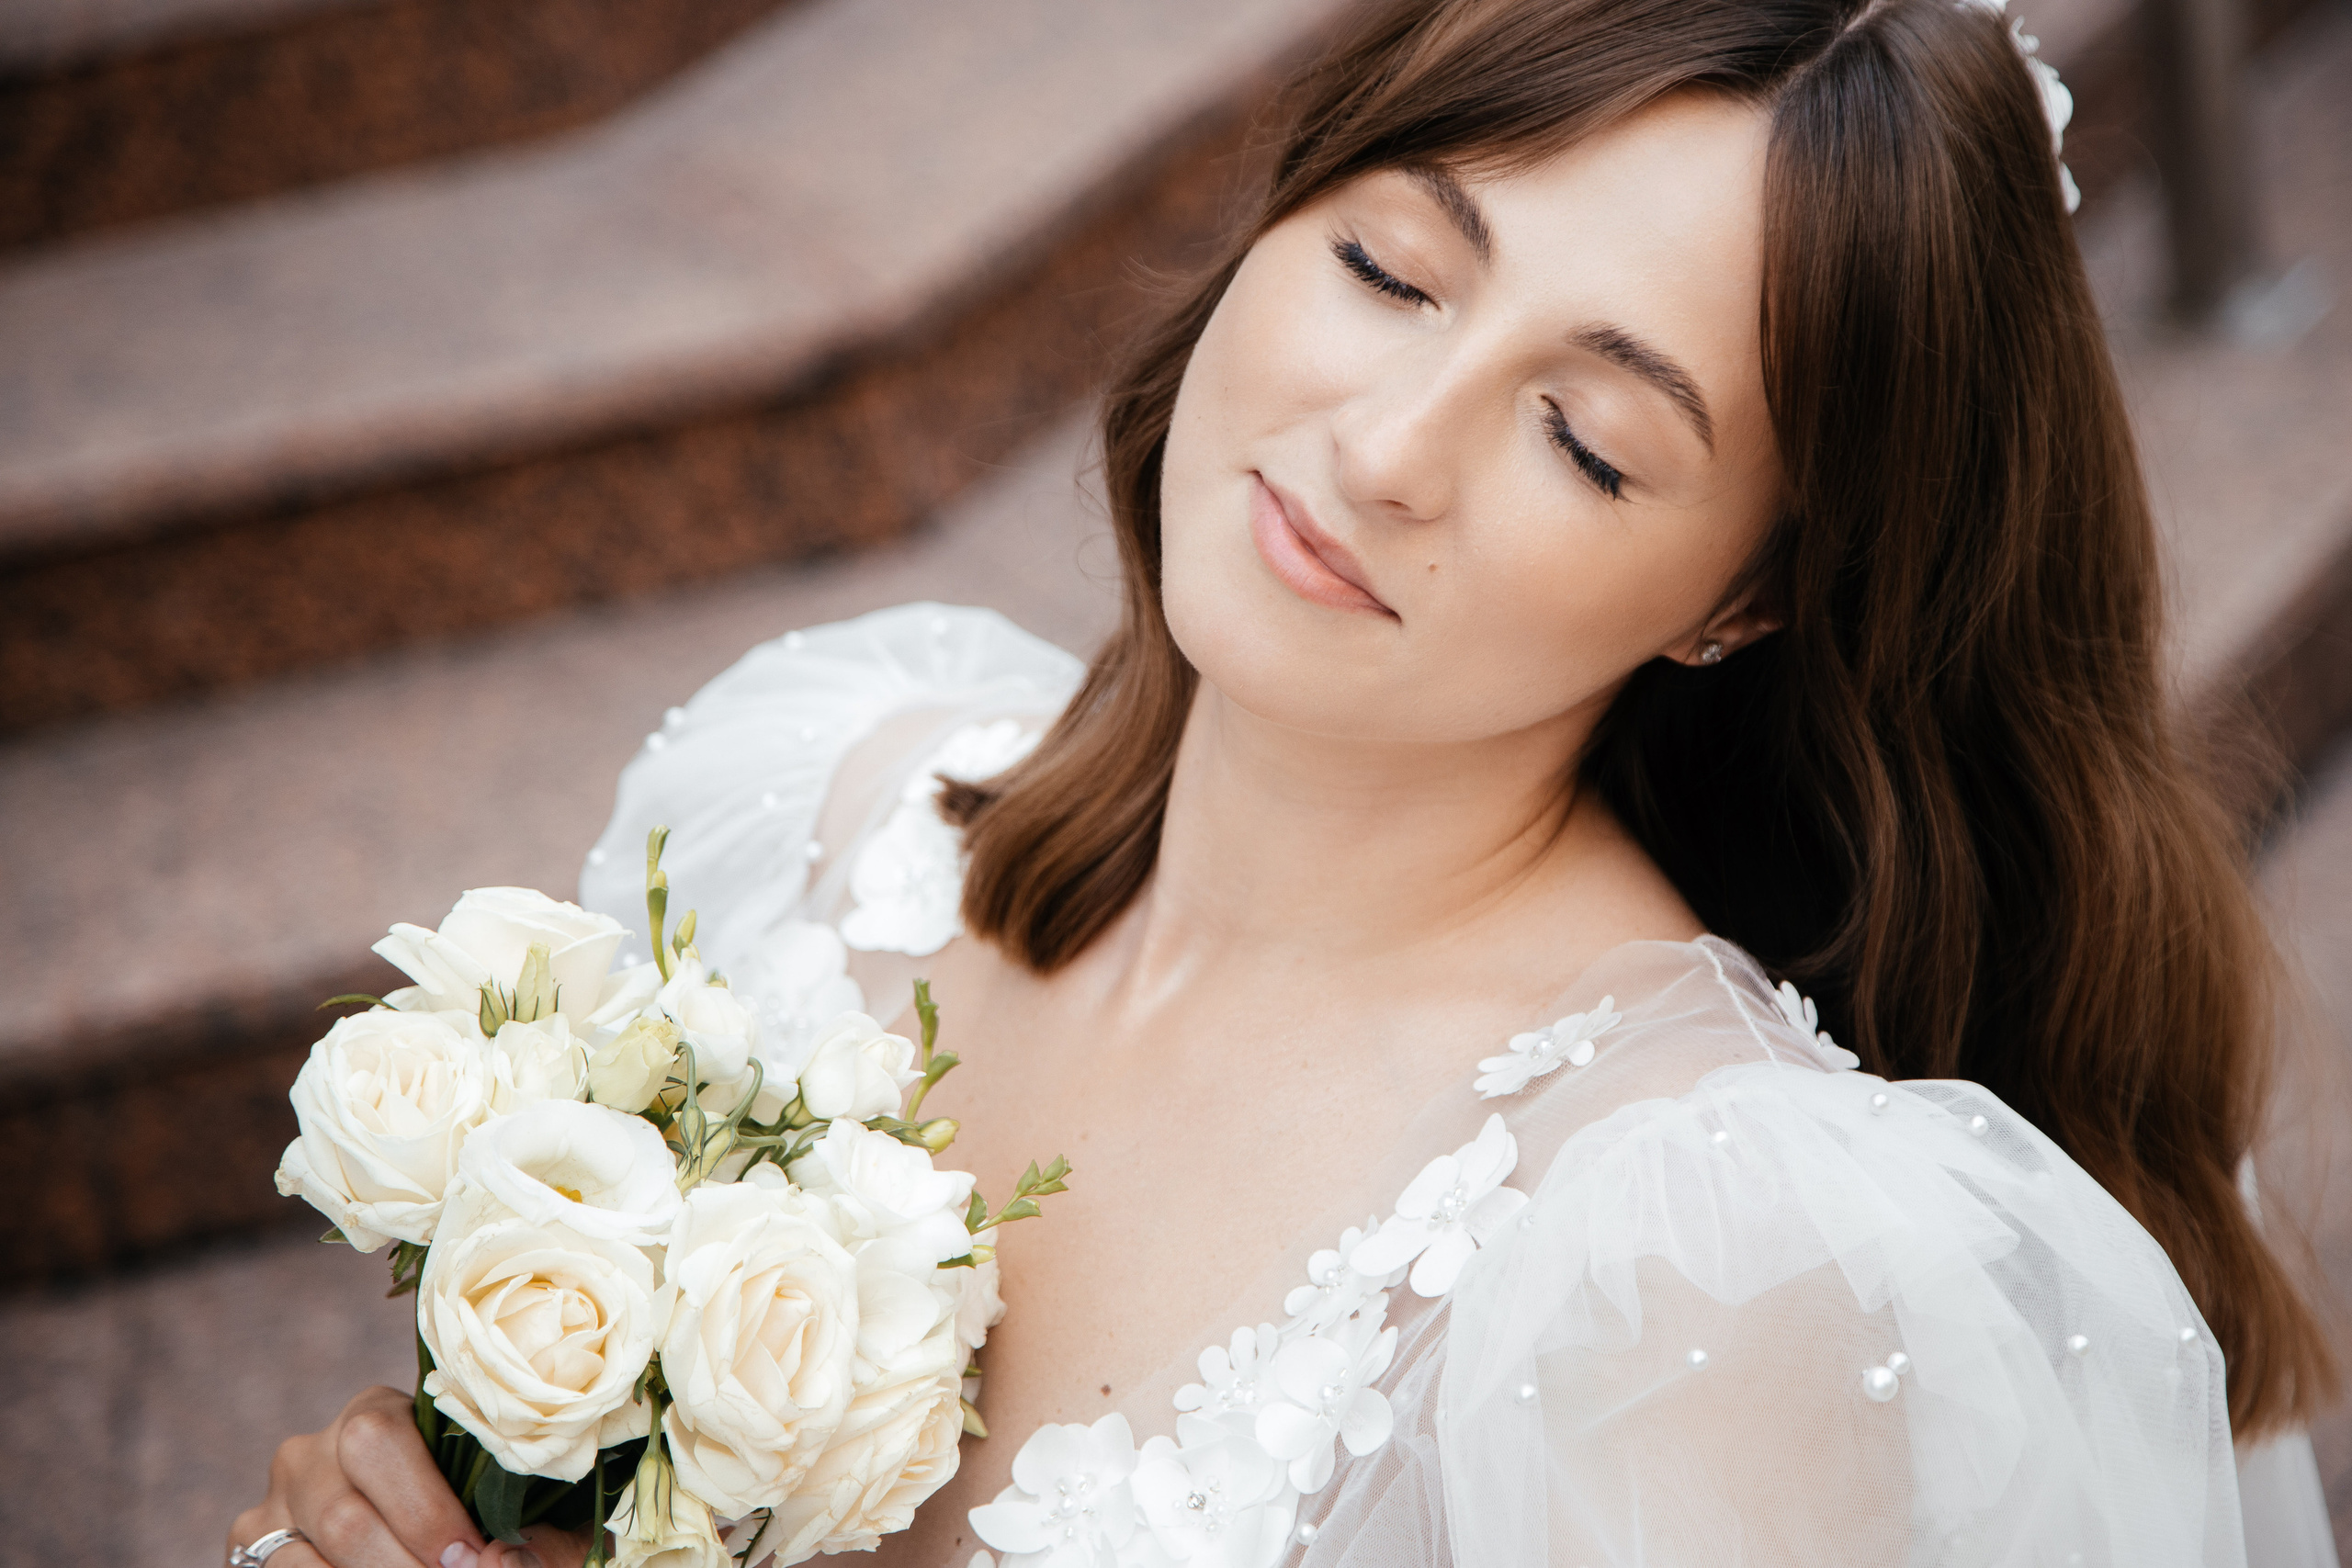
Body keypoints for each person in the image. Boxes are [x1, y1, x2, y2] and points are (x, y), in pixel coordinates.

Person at [233, 0, 2344, 1562]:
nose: (1386, 443)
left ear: (1744, 598)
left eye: (1589, 439)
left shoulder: (1699, 1260)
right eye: (1389, 271)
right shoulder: (810, 816)